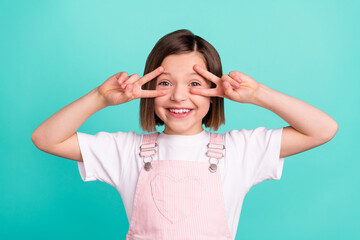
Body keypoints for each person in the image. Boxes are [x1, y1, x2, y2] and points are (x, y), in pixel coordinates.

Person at [31, 29, 338, 240]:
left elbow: (323, 129)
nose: (179, 97)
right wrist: (98, 97)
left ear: (214, 91)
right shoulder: (127, 150)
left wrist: (258, 94)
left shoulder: (241, 150)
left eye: (194, 83)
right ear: (149, 90)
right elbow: (45, 138)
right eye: (164, 83)